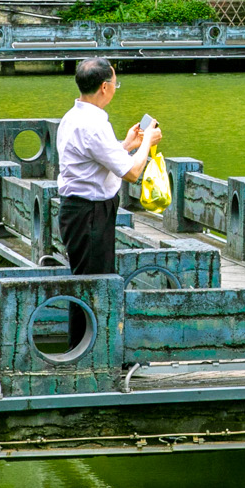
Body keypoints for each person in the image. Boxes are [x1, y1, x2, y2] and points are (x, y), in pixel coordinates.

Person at [56, 59, 161, 343]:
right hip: (88, 212)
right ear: (104, 87)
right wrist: (148, 141)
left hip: (80, 209)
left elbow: (95, 158)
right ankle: (84, 353)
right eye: (115, 83)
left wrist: (127, 145)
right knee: (92, 285)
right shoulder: (92, 124)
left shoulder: (73, 117)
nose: (115, 88)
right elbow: (131, 172)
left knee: (89, 280)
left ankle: (85, 350)